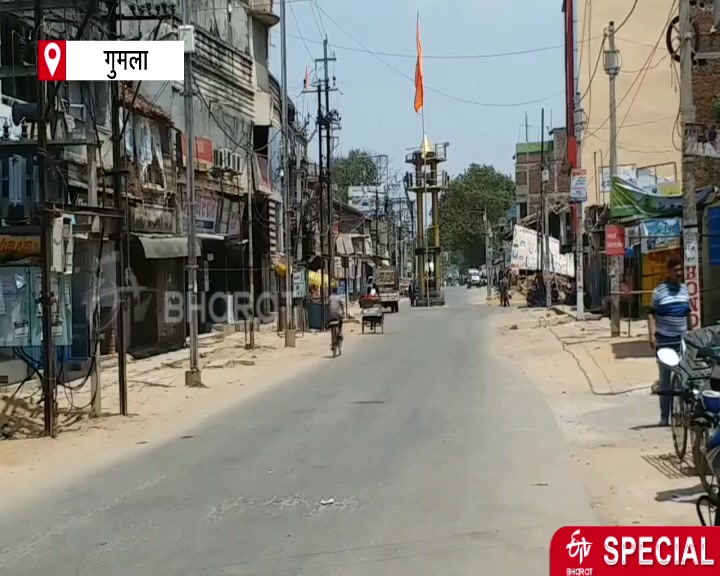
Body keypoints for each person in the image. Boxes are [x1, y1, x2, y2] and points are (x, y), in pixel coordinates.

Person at [649, 257, 690, 427]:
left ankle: (682, 414)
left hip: (682, 341)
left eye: (681, 270)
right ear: (669, 272)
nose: (679, 273)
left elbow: (689, 314)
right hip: (664, 341)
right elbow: (651, 313)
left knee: (683, 380)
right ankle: (664, 417)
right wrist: (651, 334)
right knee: (665, 381)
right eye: (676, 270)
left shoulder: (686, 290)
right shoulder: (659, 292)